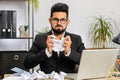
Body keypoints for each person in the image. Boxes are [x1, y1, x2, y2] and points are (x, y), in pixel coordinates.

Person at [24, 2, 85, 74]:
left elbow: (87, 63)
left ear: (67, 22)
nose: (59, 23)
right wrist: (46, 52)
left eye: (63, 20)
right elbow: (27, 63)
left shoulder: (76, 39)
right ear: (50, 20)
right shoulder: (40, 38)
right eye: (55, 19)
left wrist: (69, 52)